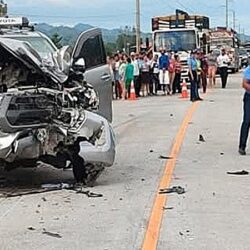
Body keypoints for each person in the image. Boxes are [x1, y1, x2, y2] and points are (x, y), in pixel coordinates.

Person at [239, 64, 250, 155]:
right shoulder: (249, 69)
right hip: (249, 97)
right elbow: (244, 83)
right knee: (247, 121)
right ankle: (242, 146)